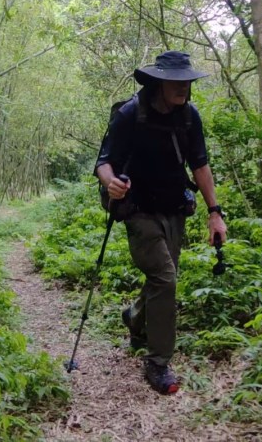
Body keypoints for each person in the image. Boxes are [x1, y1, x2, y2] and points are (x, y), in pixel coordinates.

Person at [94, 50, 227, 395]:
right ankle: (158, 362)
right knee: (165, 278)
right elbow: (104, 162)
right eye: (176, 82)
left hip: (174, 208)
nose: (183, 87)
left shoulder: (189, 117)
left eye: (187, 82)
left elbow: (200, 165)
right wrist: (111, 183)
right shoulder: (130, 114)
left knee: (163, 278)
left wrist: (215, 212)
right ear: (158, 82)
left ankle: (135, 316)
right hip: (137, 209)